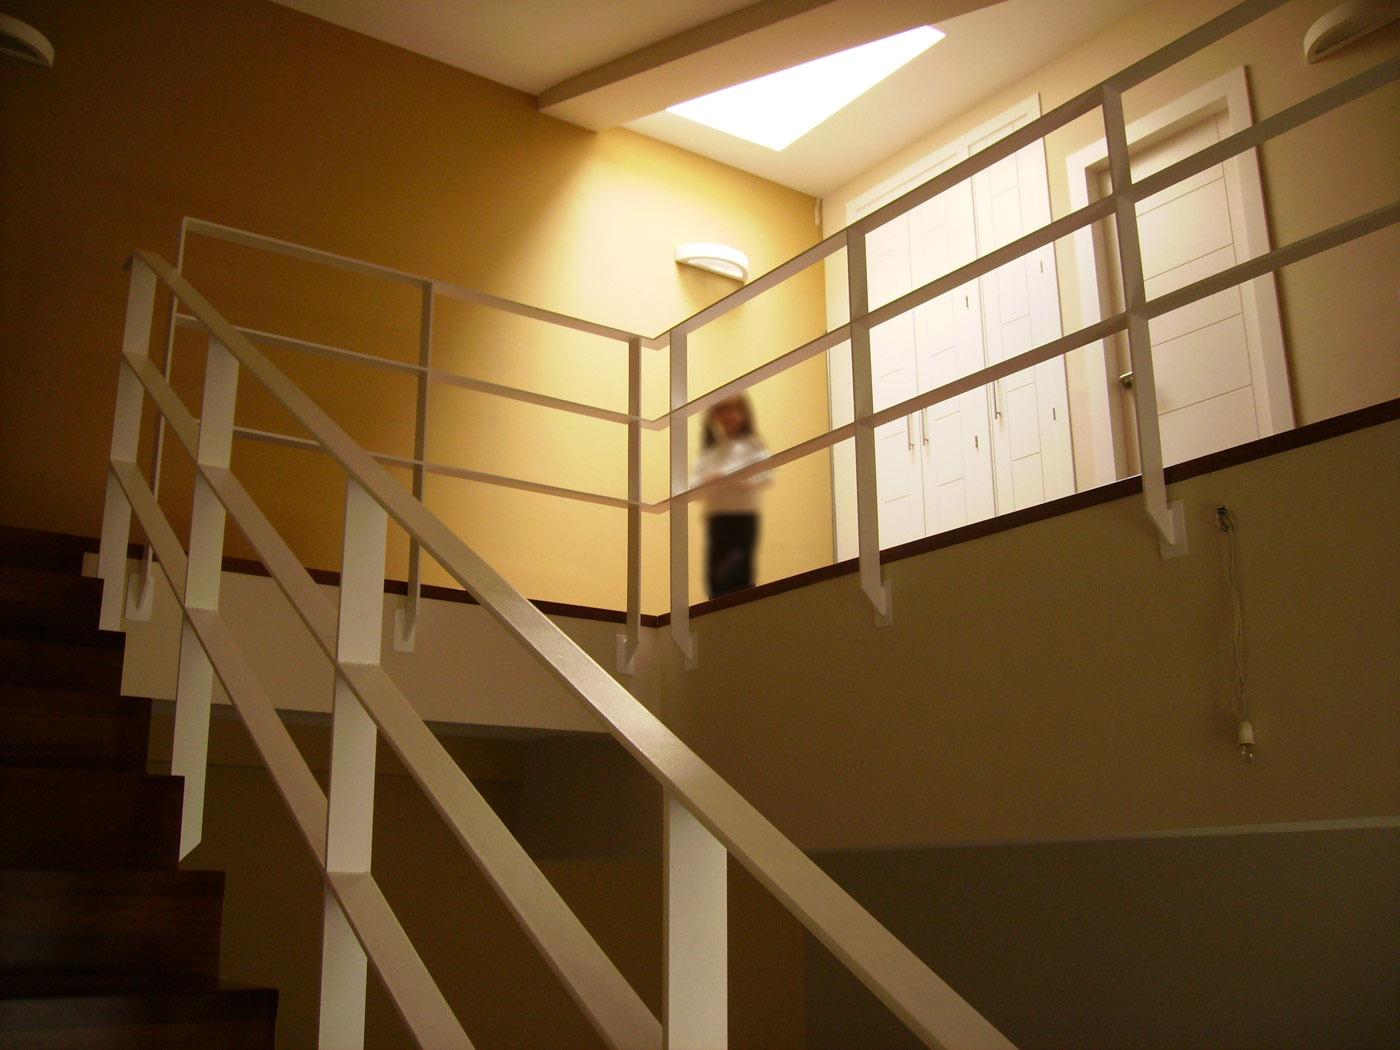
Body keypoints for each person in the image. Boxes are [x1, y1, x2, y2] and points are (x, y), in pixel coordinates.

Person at [692, 394, 771, 598]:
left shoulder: (752, 446)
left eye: (733, 411)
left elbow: (766, 476)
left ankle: (742, 610)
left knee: (739, 571)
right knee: (716, 573)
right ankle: (716, 609)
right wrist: (710, 481)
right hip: (717, 518)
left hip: (742, 517)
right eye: (722, 412)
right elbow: (694, 486)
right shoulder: (712, 452)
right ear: (714, 417)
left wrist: (732, 479)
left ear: (744, 415)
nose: (727, 417)